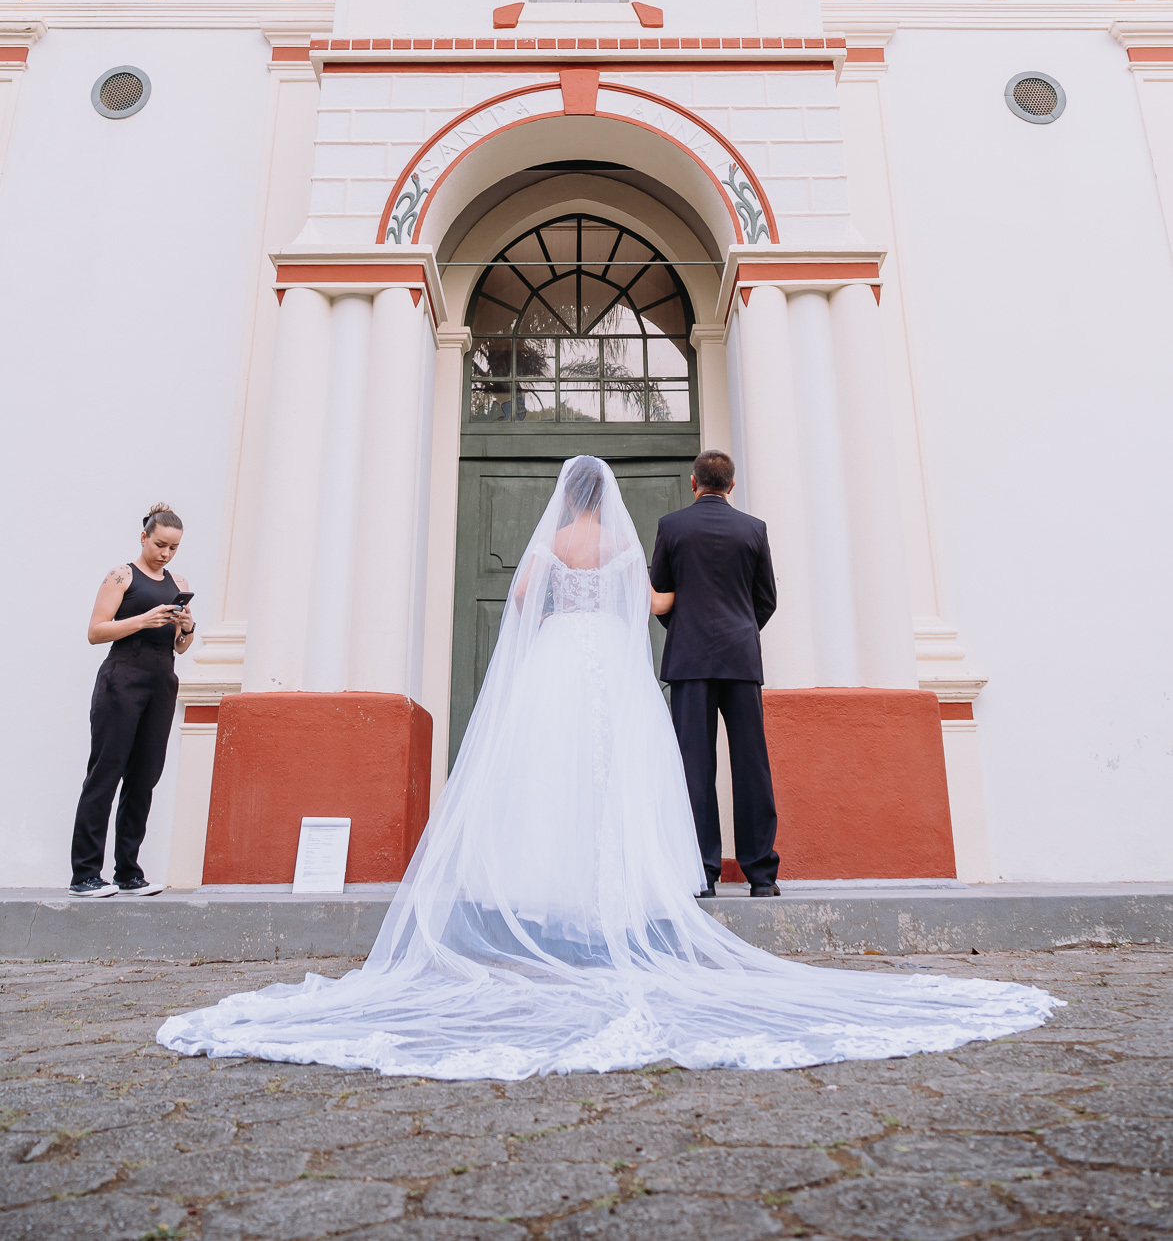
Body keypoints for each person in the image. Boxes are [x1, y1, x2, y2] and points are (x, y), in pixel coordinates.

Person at [159, 456, 1056, 1078]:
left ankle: (544, 892)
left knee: (544, 772)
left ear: (562, 498)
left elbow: (516, 601)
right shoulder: (634, 545)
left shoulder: (550, 546)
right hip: (626, 660)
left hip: (556, 654)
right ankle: (644, 881)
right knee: (617, 767)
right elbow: (652, 600)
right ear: (611, 497)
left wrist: (552, 587)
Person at [648, 448, 780, 898]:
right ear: (732, 486)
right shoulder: (754, 529)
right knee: (751, 765)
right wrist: (742, 630)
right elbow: (767, 600)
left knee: (694, 765)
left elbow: (661, 591)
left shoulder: (671, 527)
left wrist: (683, 629)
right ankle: (761, 875)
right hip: (742, 659)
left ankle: (702, 871)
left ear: (693, 482)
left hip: (689, 660)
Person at [69, 503, 194, 898]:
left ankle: (129, 872)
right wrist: (144, 619)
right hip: (122, 678)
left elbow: (181, 646)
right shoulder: (122, 575)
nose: (165, 554)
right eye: (159, 544)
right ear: (144, 537)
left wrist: (186, 628)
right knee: (106, 773)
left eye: (173, 547)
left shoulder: (177, 580)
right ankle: (85, 875)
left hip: (162, 681)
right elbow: (95, 631)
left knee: (144, 778)